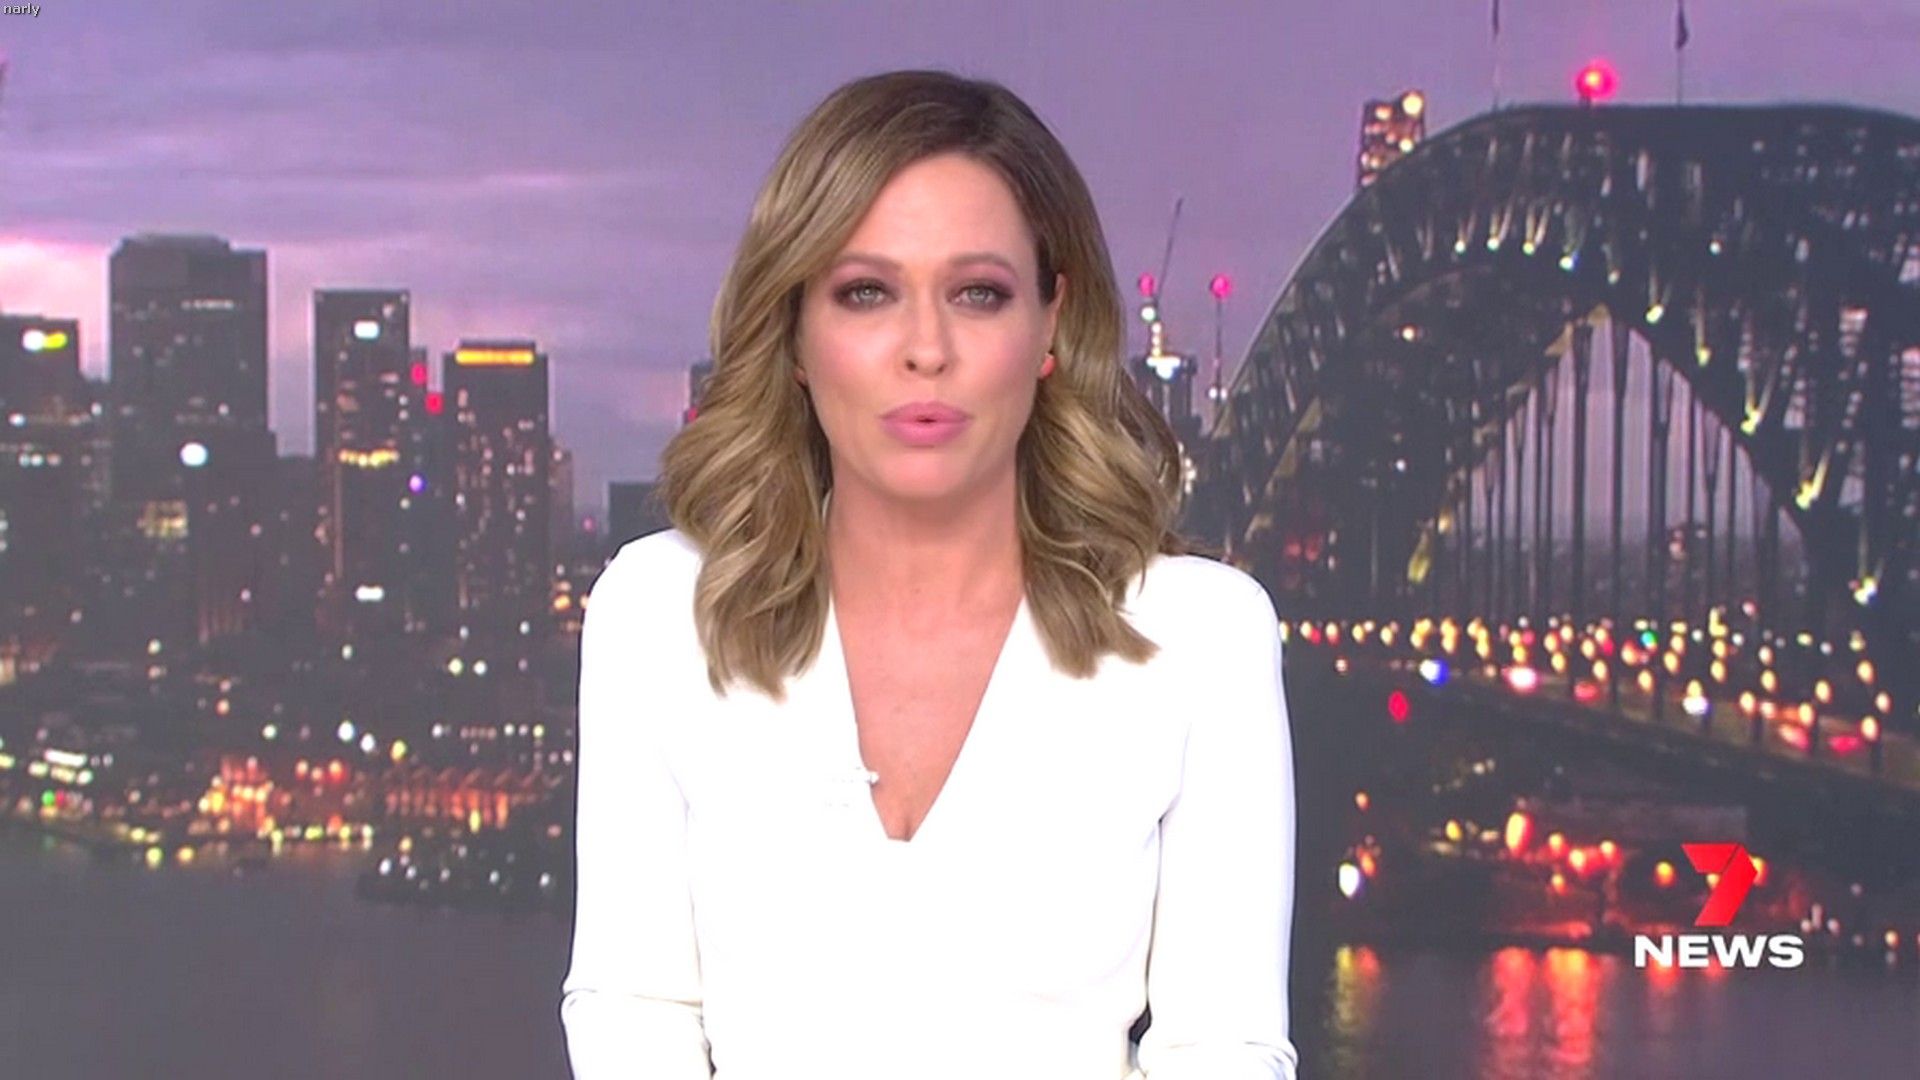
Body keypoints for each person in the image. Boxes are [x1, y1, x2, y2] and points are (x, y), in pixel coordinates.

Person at [559, 68, 1298, 1080]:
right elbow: (633, 1007)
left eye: (978, 294)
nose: (926, 350)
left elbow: (1224, 1048)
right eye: (866, 293)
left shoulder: (1202, 637)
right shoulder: (656, 613)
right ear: (794, 332)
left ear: (1050, 325)